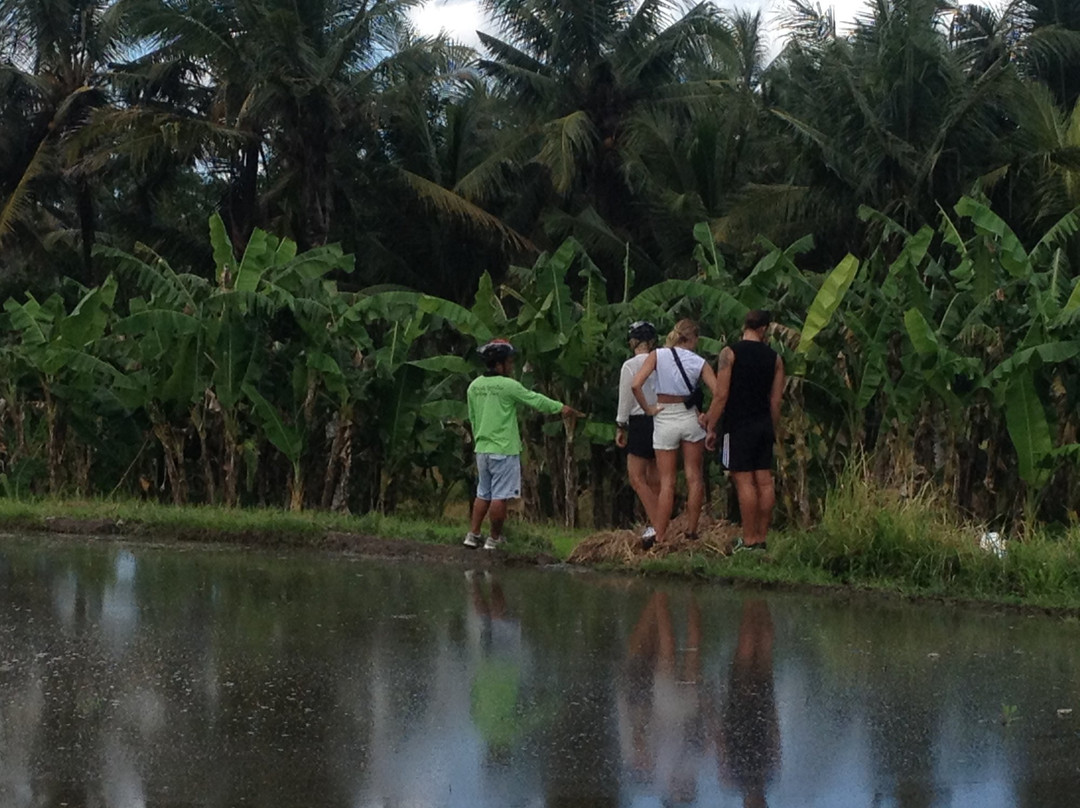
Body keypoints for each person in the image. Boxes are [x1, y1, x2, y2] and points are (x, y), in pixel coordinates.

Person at [464, 339, 577, 550]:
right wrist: (561, 408)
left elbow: (472, 417)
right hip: (504, 450)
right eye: (509, 361)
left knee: (483, 493)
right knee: (499, 496)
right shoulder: (508, 386)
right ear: (499, 364)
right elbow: (535, 400)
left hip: (482, 449)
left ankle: (473, 534)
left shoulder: (474, 386)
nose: (511, 365)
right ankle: (494, 538)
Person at [631, 319, 721, 550]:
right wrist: (708, 417)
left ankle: (660, 535)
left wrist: (648, 409)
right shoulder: (699, 362)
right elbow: (719, 392)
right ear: (693, 339)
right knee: (694, 477)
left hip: (664, 416)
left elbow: (636, 385)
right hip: (689, 416)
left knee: (667, 481)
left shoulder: (658, 355)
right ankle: (691, 531)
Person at [704, 310, 785, 552]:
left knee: (744, 482)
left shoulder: (730, 353)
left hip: (738, 425)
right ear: (764, 329)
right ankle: (761, 538)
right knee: (765, 482)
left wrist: (710, 425)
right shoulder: (776, 358)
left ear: (746, 327)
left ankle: (748, 539)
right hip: (763, 424)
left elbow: (720, 395)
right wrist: (773, 427)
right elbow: (775, 401)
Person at [616, 321, 661, 542]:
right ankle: (658, 522)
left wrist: (620, 425)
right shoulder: (661, 361)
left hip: (639, 421)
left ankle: (658, 525)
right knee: (656, 478)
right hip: (661, 418)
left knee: (636, 477)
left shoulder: (630, 365)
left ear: (633, 341)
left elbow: (626, 397)